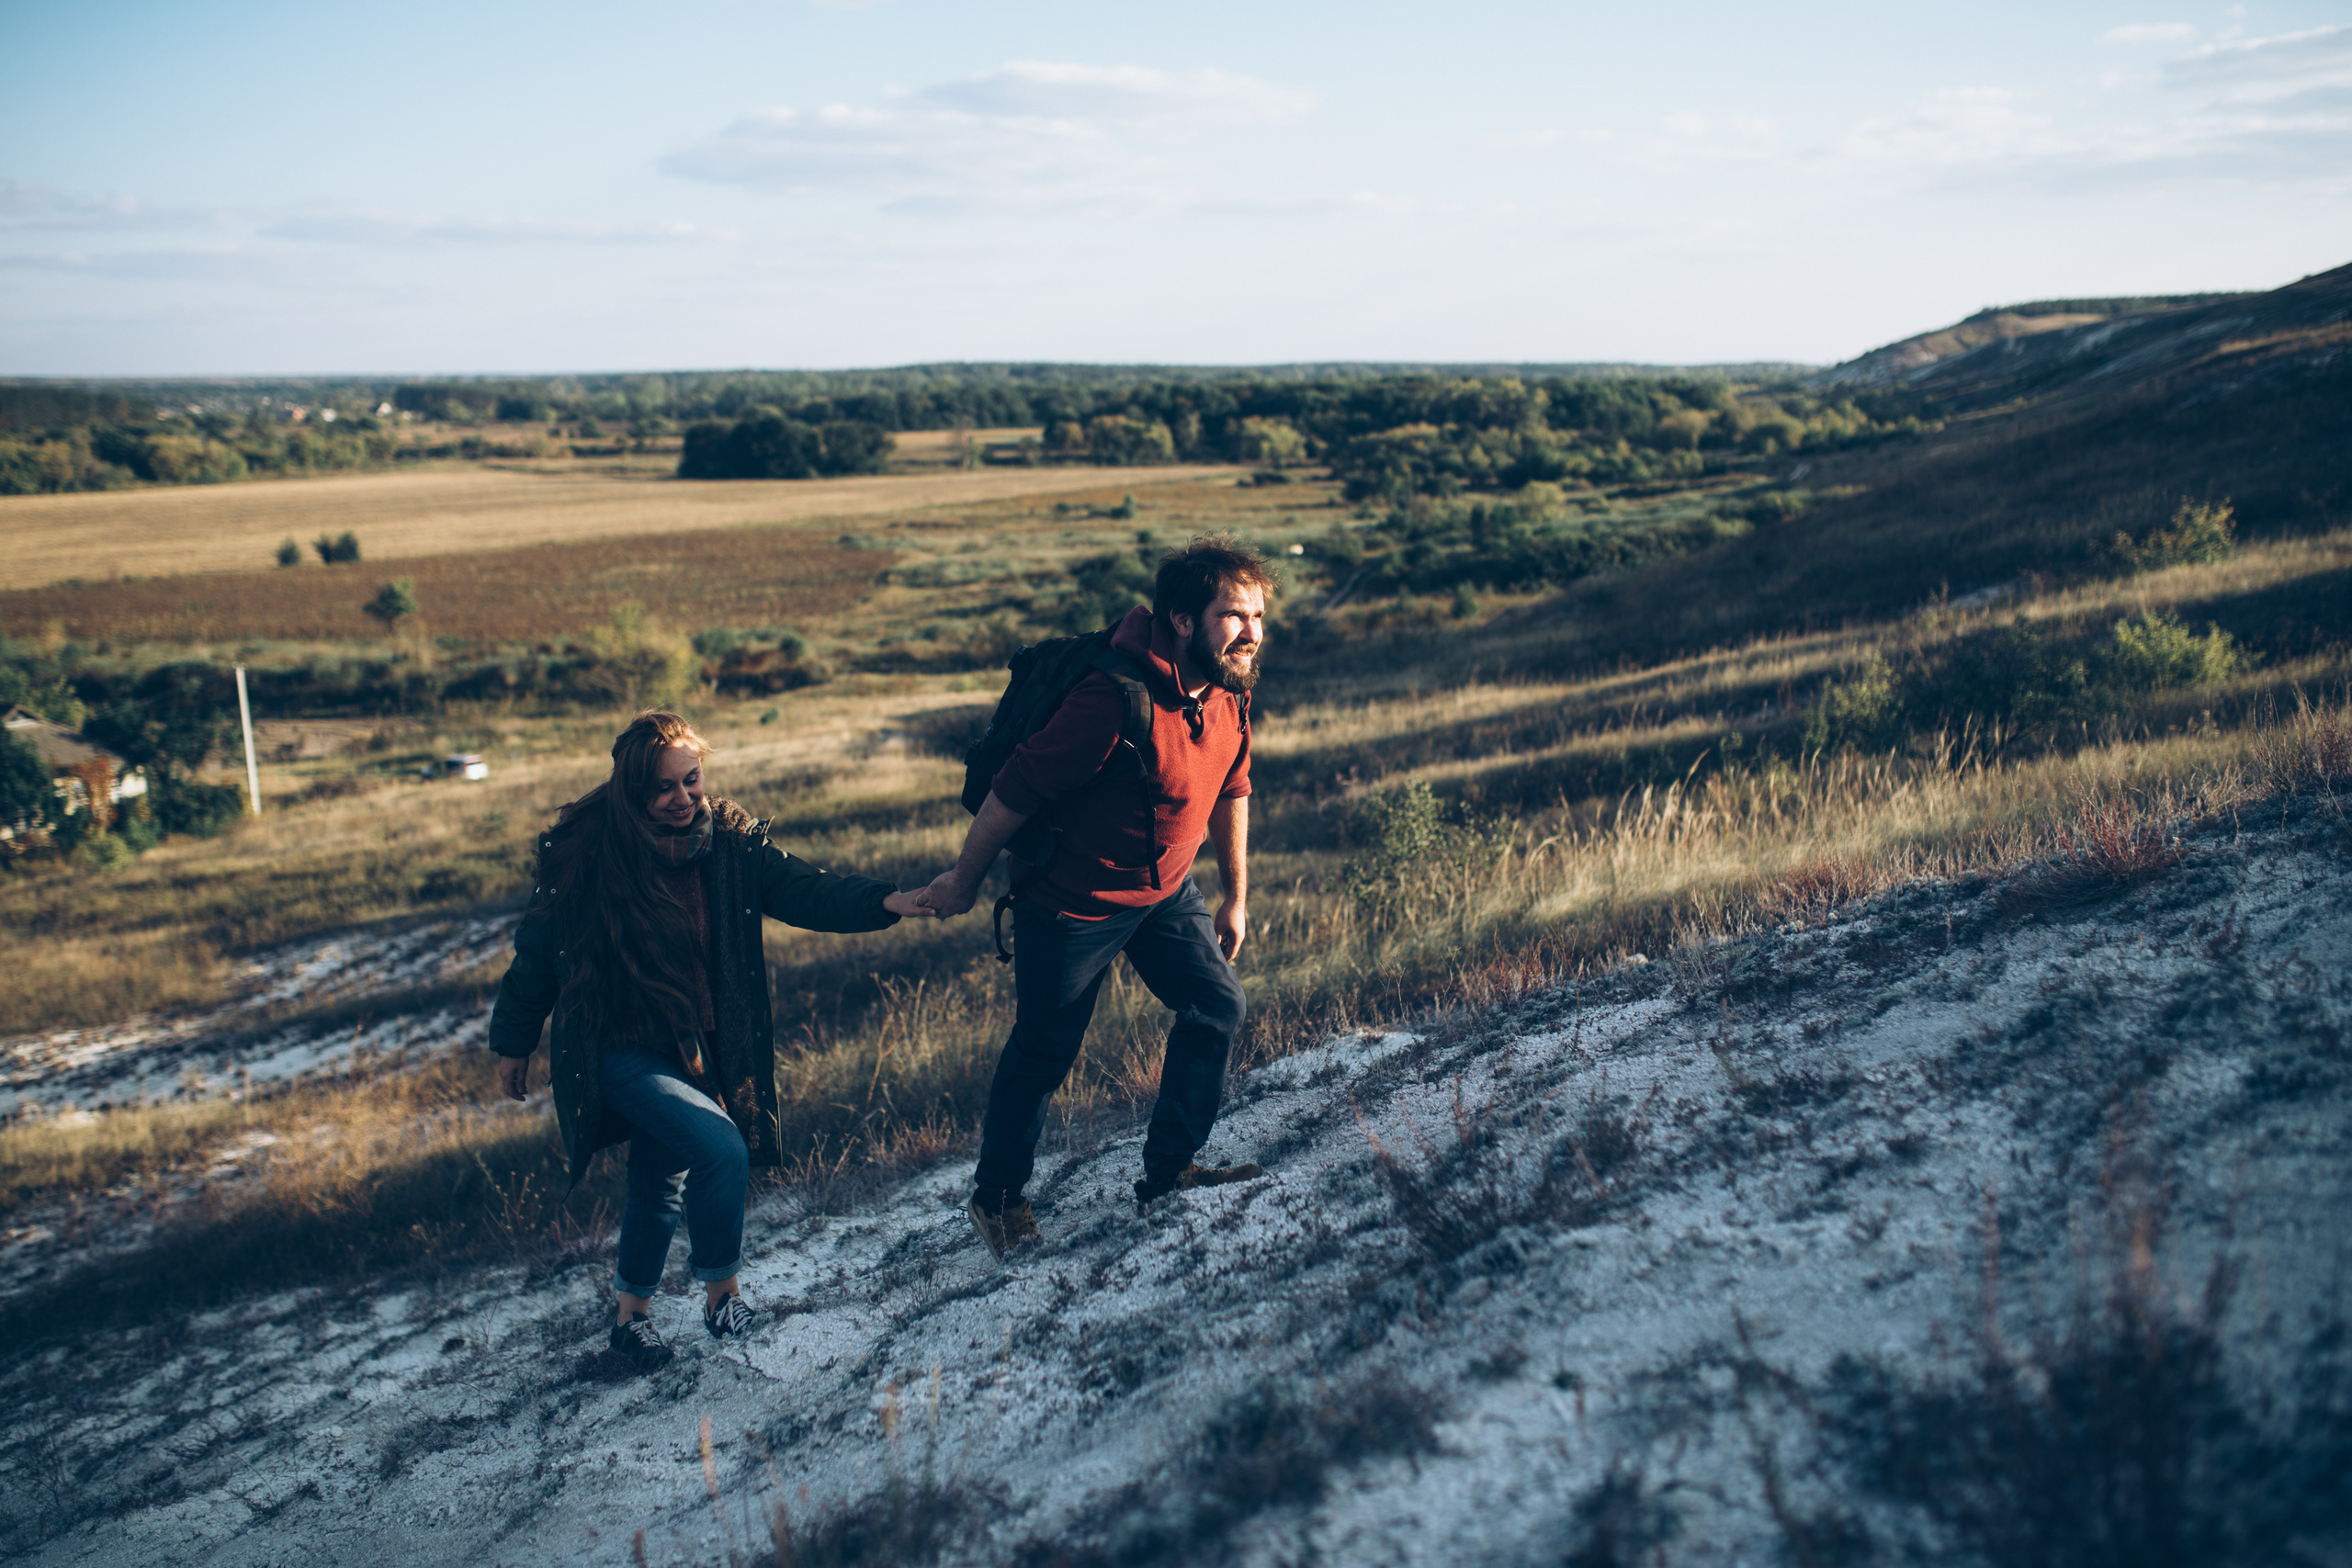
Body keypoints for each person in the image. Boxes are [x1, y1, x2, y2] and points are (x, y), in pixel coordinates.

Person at [487, 710, 934, 1368]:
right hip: (618, 1043)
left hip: (693, 1045)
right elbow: (537, 953)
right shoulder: (593, 851)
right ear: (632, 792)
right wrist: (514, 1038)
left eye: (691, 780)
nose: (682, 798)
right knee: (721, 1146)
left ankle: (629, 1323)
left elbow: (806, 891)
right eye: (662, 789)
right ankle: (723, 1301)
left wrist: (887, 901)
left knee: (659, 1172)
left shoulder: (729, 843)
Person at [924, 536, 1273, 1259]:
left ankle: (1169, 1172)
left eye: (1258, 616)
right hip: (1072, 905)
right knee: (1045, 1053)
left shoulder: (1229, 685)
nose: (1251, 633)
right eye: (1232, 615)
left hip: (1165, 892)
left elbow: (1232, 786)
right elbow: (1012, 793)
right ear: (1182, 619)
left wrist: (1236, 896)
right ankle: (996, 1201)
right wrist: (962, 881)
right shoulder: (1112, 700)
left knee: (1217, 1005)